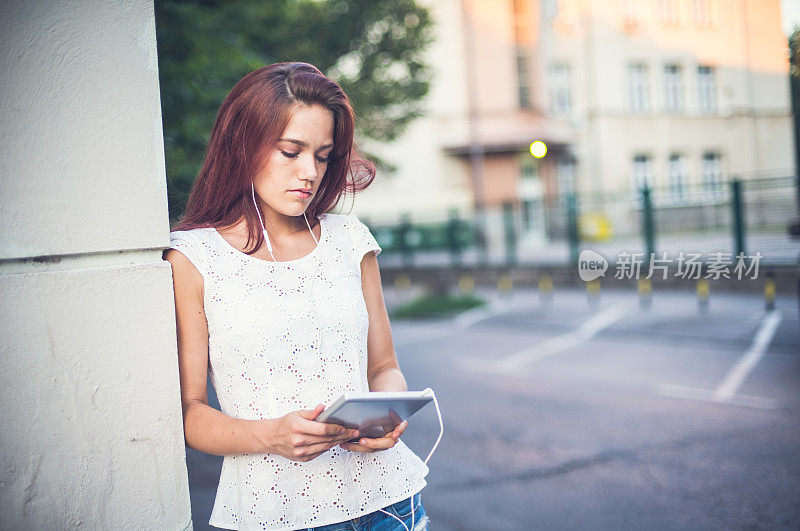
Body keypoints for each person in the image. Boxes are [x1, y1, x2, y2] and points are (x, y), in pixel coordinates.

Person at [162, 62, 430, 531]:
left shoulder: (351, 239)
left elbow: (384, 367)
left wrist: (387, 416)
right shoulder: (193, 257)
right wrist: (270, 436)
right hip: (275, 516)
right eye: (291, 151)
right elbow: (190, 413)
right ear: (244, 145)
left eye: (323, 156)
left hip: (391, 506)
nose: (309, 172)